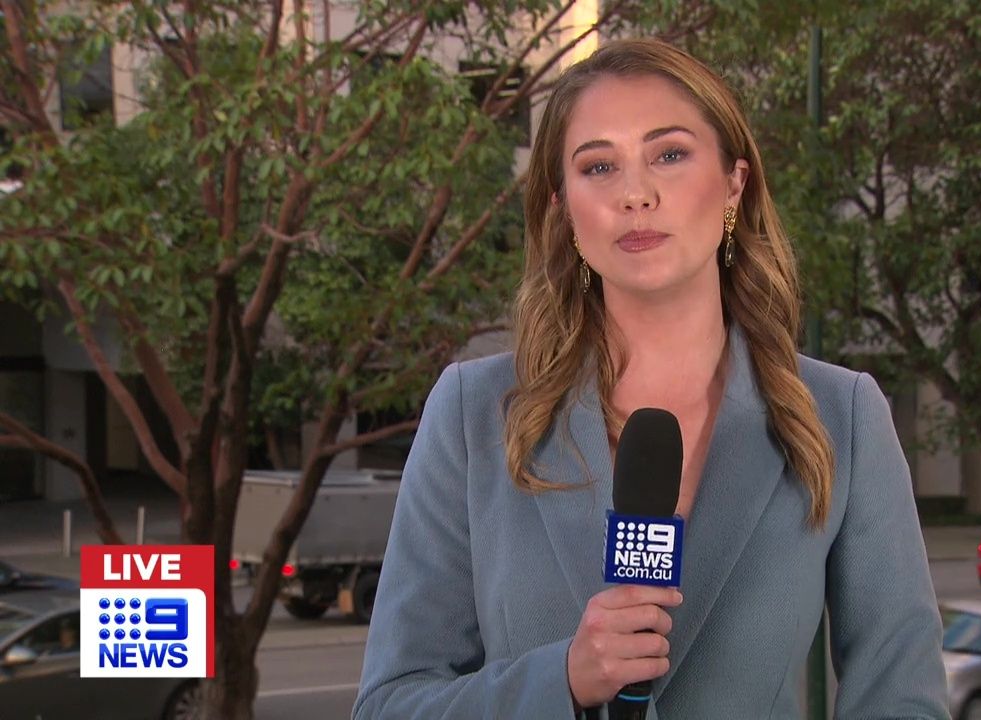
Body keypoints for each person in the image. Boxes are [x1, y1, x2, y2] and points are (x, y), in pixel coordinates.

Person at [353, 38, 948, 719]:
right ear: (563, 208)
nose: (635, 194)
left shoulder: (841, 416)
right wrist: (562, 680)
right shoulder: (473, 412)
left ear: (734, 184)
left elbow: (902, 699)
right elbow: (390, 705)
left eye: (669, 154)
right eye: (599, 166)